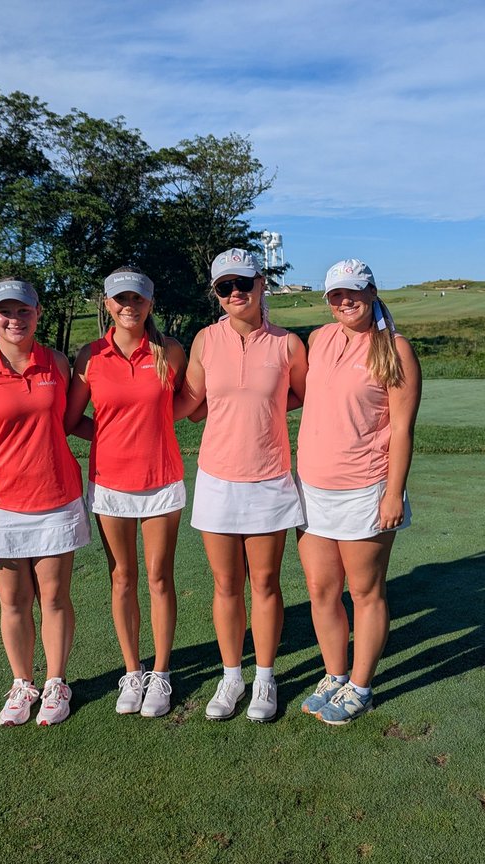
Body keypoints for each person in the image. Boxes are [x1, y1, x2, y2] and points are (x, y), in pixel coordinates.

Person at [176, 249, 308, 722]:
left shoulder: (288, 344)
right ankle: (232, 676)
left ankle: (266, 680)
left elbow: (302, 395)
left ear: (260, 286)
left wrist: (264, 408)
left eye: (243, 284)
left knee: (267, 584)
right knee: (227, 585)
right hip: (217, 479)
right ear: (216, 293)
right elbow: (192, 401)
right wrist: (130, 413)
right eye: (224, 287)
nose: (235, 293)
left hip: (270, 479)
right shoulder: (205, 341)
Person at [0, 277, 90, 727]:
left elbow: (73, 421)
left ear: (38, 313)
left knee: (54, 598)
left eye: (23, 310)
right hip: (0, 505)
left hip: (56, 497)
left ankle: (55, 683)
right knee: (13, 602)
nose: (15, 319)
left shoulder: (57, 362)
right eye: (5, 311)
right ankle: (22, 683)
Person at [295, 259, 421, 725]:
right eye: (335, 294)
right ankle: (334, 675)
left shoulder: (395, 349)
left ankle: (361, 686)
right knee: (321, 590)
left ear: (370, 292)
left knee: (365, 592)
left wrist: (394, 494)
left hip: (366, 488)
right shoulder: (319, 339)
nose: (344, 301)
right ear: (327, 300)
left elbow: (403, 430)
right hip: (312, 488)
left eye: (353, 292)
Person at [64, 266, 187, 718]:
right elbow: (71, 419)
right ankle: (132, 672)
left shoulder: (170, 352)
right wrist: (110, 437)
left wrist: (151, 430)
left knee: (158, 577)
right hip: (110, 482)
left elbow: (189, 404)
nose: (128, 306)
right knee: (122, 577)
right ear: (107, 304)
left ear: (149, 304)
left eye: (137, 299)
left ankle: (161, 673)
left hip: (161, 479)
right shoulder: (90, 357)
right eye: (120, 299)